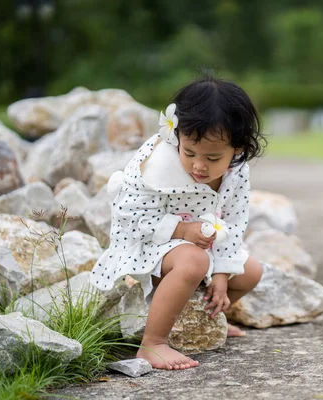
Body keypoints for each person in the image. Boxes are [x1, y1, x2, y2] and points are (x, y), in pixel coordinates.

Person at [90, 76, 266, 370]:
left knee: (251, 272)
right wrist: (182, 230)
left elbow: (234, 223)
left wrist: (222, 274)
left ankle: (205, 323)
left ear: (237, 149)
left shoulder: (237, 172)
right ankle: (153, 343)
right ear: (177, 137)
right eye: (189, 153)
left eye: (212, 157)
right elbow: (131, 215)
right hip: (150, 244)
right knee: (194, 261)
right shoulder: (158, 163)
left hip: (198, 246)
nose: (199, 165)